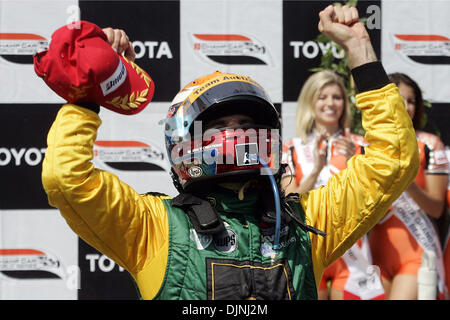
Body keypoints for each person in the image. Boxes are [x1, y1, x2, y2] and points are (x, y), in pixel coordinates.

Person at [38, 4, 419, 299]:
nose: (237, 134)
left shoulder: (305, 225)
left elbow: (393, 161)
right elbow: (67, 179)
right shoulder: (154, 226)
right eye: (220, 126)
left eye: (247, 125)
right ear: (182, 142)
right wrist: (89, 90)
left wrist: (359, 47)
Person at [281, 70, 384, 300]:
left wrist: (352, 164)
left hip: (351, 250)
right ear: (310, 101)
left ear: (345, 103)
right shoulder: (291, 148)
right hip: (308, 249)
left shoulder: (360, 144)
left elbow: (374, 199)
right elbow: (289, 202)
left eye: (337, 97)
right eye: (322, 96)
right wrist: (315, 170)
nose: (330, 103)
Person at [368, 73, 449, 299]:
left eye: (411, 100)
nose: (405, 105)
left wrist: (407, 182)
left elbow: (436, 208)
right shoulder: (368, 145)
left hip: (416, 254)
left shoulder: (431, 144)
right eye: (398, 98)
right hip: (372, 256)